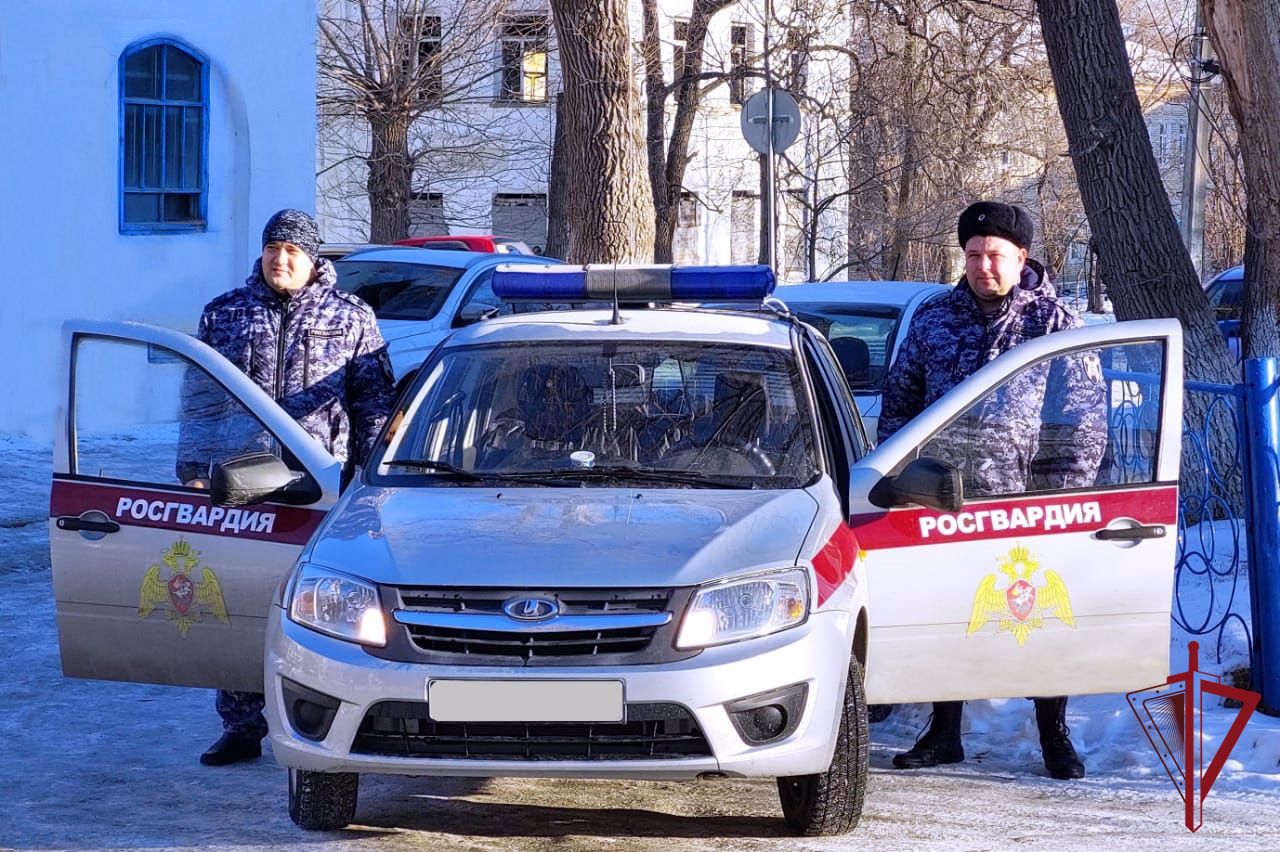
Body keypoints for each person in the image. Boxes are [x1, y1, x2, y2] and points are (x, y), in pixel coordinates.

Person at [877, 200, 1107, 780]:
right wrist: (902, 481)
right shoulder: (933, 319)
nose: (984, 265)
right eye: (975, 255)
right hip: (946, 500)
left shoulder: (1052, 323)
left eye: (996, 255)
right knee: (948, 615)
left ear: (1020, 257)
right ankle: (944, 731)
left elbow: (1083, 421)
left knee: (1038, 619)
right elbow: (901, 408)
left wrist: (1058, 502)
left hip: (1027, 506)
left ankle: (1054, 733)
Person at [177, 209, 396, 766]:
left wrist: (368, 479)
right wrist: (194, 467)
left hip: (320, 484)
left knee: (318, 602)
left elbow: (372, 403)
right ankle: (241, 724)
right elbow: (200, 397)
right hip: (240, 481)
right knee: (238, 598)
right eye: (274, 248)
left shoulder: (351, 317)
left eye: (293, 250)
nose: (281, 259)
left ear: (313, 256)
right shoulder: (226, 313)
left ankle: (322, 716)